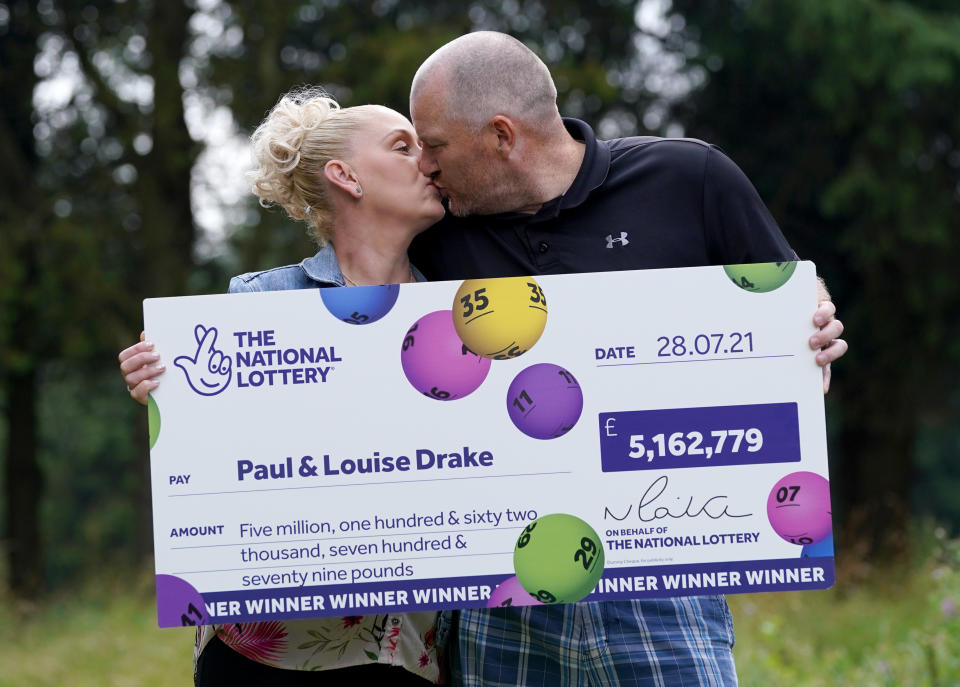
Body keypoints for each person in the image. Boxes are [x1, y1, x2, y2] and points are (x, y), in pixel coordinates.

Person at [406, 31, 848, 686]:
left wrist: (814, 326)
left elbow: (787, 301)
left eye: (435, 145)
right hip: (501, 594)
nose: (424, 165)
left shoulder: (691, 178)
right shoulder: (435, 231)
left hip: (665, 580)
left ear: (502, 135)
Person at [119, 89, 447, 685]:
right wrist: (163, 390)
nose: (427, 161)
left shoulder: (461, 313)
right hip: (260, 653)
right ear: (345, 176)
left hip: (402, 650)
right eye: (404, 147)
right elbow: (217, 459)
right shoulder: (259, 303)